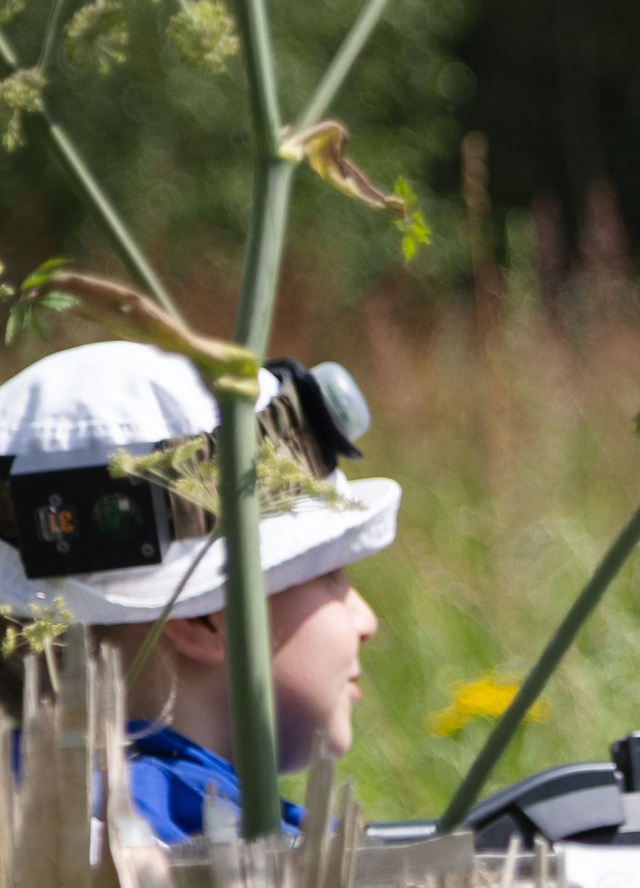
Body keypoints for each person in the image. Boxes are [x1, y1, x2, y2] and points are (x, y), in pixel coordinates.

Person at [0, 340, 399, 841]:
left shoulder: (28, 797)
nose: (366, 619)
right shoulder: (188, 845)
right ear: (204, 619)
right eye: (331, 577)